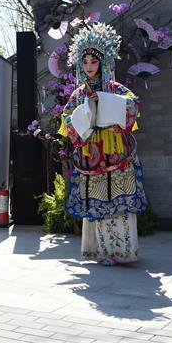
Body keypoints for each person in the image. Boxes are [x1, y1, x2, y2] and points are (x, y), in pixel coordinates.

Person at [60, 22, 147, 266]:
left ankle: (122, 250)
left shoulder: (114, 88)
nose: (89, 67)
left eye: (94, 61)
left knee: (117, 201)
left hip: (115, 152)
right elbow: (67, 120)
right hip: (92, 153)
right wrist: (82, 115)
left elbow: (132, 108)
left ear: (104, 62)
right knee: (97, 202)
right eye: (85, 62)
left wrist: (109, 103)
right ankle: (99, 250)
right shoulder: (78, 93)